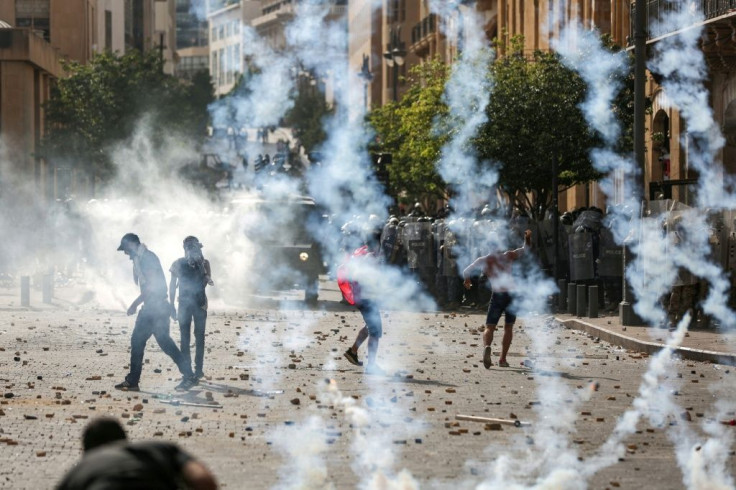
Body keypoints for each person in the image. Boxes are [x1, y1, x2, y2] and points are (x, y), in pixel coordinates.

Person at [115, 233, 196, 392]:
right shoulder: (142, 259)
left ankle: (133, 380)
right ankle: (188, 375)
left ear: (132, 245)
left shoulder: (147, 259)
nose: (126, 254)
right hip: (154, 307)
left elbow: (152, 288)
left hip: (155, 308)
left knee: (141, 342)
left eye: (126, 249)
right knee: (163, 343)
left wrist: (134, 305)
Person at [56, 417, 218, 490]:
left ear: (87, 451)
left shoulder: (79, 471)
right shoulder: (157, 448)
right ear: (125, 439)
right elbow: (203, 480)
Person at [463, 229, 532, 368]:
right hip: (511, 295)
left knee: (490, 327)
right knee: (508, 327)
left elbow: (466, 271)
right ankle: (502, 359)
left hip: (497, 295)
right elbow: (525, 249)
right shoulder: (508, 256)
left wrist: (467, 281)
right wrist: (527, 238)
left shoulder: (483, 260)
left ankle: (487, 346)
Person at [169, 236, 214, 383]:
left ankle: (187, 371)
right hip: (200, 304)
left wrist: (171, 304)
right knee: (199, 337)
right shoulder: (205, 263)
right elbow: (204, 284)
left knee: (185, 338)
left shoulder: (177, 263)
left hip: (183, 304)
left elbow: (171, 286)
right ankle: (198, 370)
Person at [340, 232, 385, 375]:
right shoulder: (370, 257)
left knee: (369, 327)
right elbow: (368, 278)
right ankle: (371, 366)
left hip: (362, 297)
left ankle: (352, 352)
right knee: (375, 332)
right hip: (367, 298)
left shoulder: (360, 253)